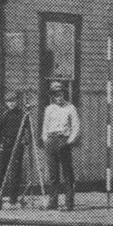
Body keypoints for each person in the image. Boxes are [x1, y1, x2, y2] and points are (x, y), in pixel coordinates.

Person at [41, 82, 80, 211]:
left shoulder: (70, 108)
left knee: (67, 174)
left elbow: (76, 127)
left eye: (61, 94)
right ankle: (53, 202)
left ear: (64, 93)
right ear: (52, 96)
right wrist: (46, 140)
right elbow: (45, 127)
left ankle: (69, 203)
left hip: (63, 140)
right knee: (53, 174)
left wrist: (69, 141)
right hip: (51, 141)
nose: (59, 97)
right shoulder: (49, 109)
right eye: (55, 94)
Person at [0, 91, 26, 210]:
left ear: (17, 101)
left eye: (13, 101)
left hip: (18, 145)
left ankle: (13, 199)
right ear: (6, 103)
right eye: (9, 102)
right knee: (0, 172)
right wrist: (1, 142)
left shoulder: (22, 114)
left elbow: (27, 130)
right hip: (6, 145)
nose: (11, 104)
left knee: (16, 172)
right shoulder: (5, 115)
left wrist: (25, 140)